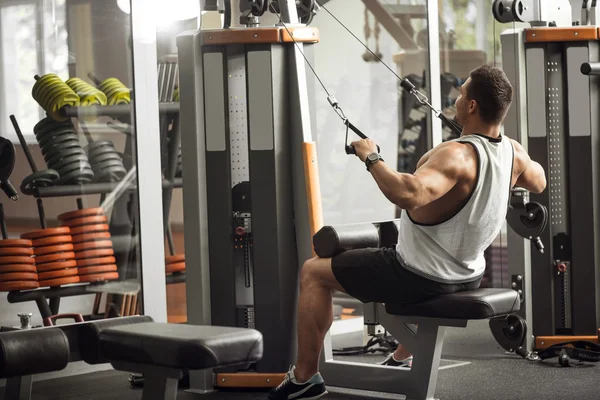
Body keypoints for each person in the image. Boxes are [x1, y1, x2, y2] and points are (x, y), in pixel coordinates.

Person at [267, 64, 547, 400]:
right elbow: (540, 180)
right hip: (469, 274)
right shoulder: (513, 151)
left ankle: (304, 378)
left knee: (313, 272)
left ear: (472, 106)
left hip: (418, 275)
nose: (456, 99)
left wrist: (371, 157)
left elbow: (408, 193)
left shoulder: (456, 155)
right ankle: (403, 355)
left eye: (461, 94)